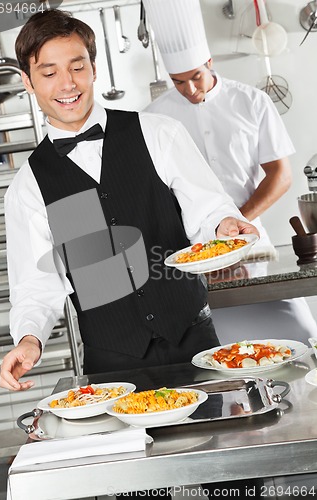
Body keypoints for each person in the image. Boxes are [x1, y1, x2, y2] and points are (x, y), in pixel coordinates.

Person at [0, 8, 257, 393]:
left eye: (77, 67)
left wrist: (224, 225)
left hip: (195, 346)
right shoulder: (28, 186)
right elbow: (36, 287)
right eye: (49, 73)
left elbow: (208, 210)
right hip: (112, 367)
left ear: (94, 67)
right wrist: (29, 339)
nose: (67, 84)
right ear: (28, 82)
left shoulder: (158, 133)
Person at [143, 0, 317, 345]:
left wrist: (234, 225)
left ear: (209, 62)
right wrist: (206, 241)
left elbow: (280, 175)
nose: (190, 90)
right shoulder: (153, 119)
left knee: (300, 337)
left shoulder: (251, 102)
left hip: (252, 247)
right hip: (196, 258)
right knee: (219, 353)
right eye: (178, 82)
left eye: (195, 77)